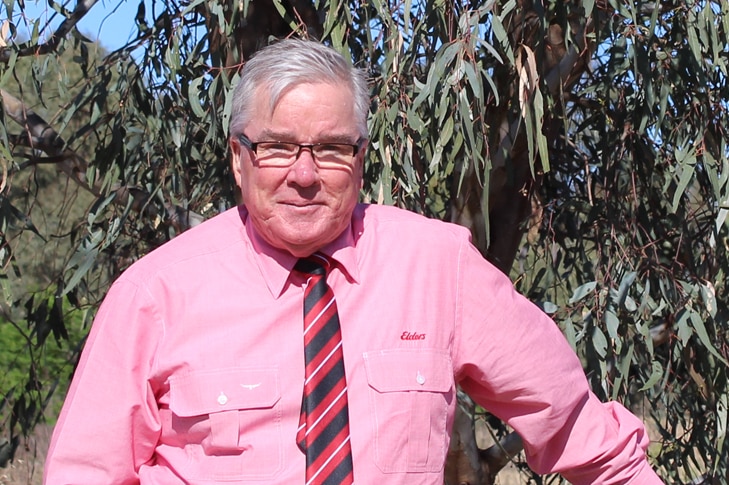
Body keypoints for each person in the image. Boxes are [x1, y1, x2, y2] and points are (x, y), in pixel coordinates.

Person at [44, 38, 663, 484]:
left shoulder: (437, 268)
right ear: (238, 158)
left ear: (362, 158)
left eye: (333, 149)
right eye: (278, 148)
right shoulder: (155, 293)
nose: (305, 175)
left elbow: (586, 435)